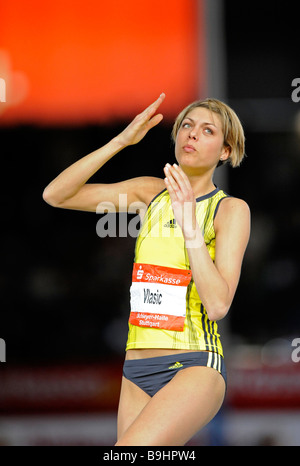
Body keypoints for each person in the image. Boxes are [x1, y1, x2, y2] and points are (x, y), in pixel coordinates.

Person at [43, 93, 250, 446]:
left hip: (194, 364)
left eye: (207, 130)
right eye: (186, 125)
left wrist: (189, 226)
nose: (192, 134)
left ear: (226, 151)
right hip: (136, 368)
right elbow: (56, 195)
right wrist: (121, 141)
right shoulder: (149, 195)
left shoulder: (229, 210)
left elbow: (218, 305)